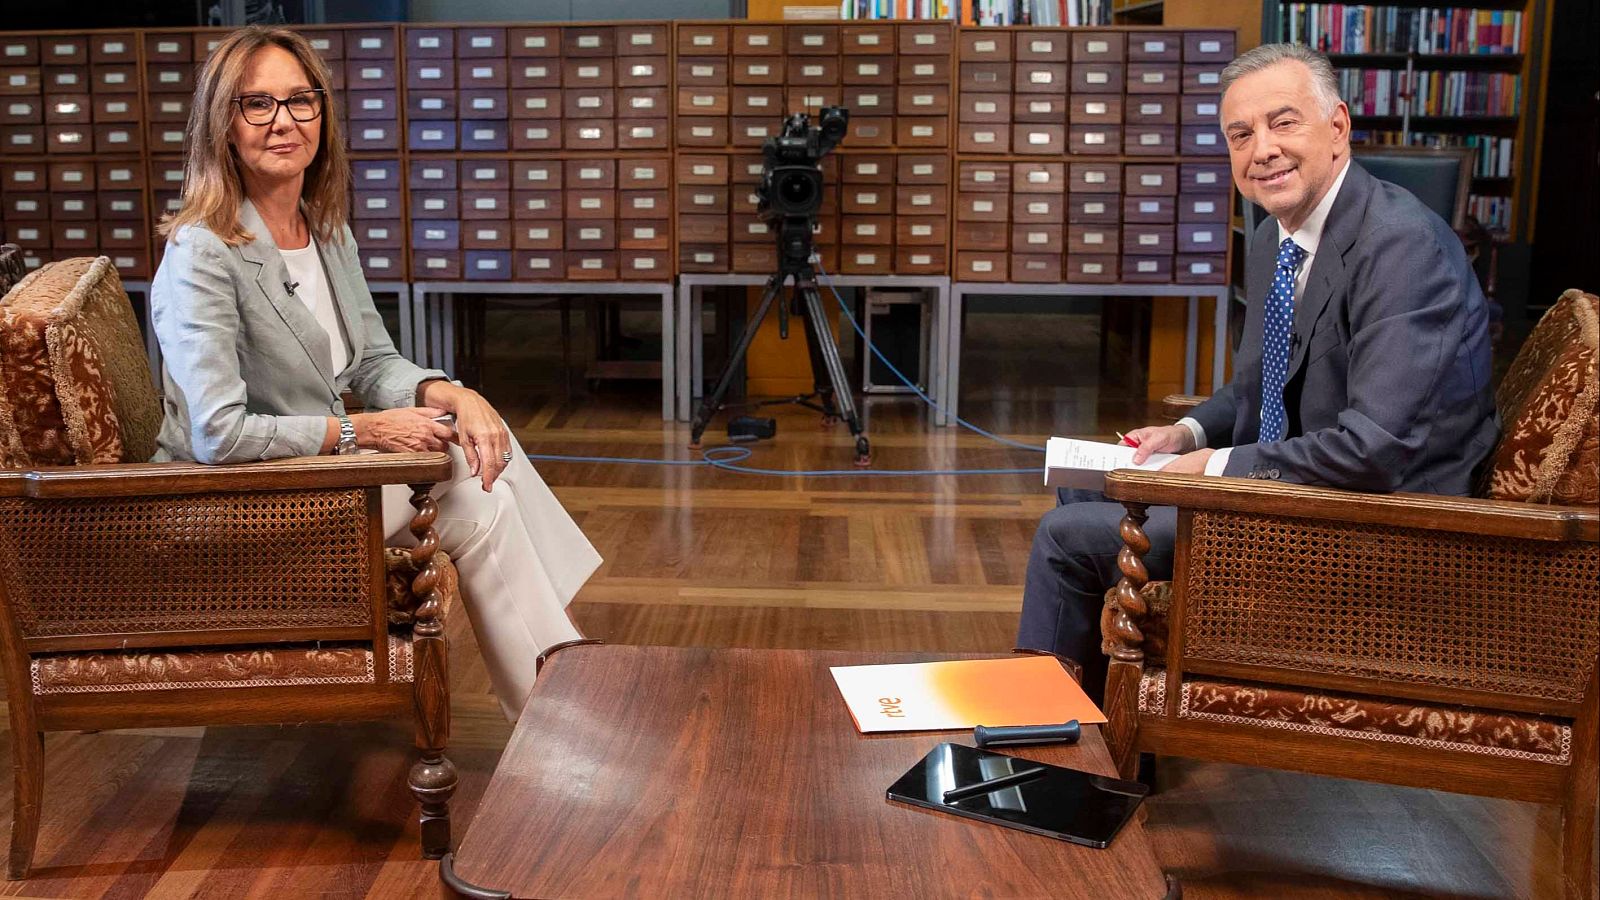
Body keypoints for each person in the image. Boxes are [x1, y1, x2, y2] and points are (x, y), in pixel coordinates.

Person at [1017, 43, 1498, 702]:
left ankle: (1043, 743)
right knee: (1085, 491)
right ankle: (1109, 731)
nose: (1262, 149)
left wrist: (1214, 469)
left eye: (1283, 122)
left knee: (1066, 539)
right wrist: (1186, 435)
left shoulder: (1401, 247)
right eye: (1241, 135)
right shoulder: (1278, 233)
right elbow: (1265, 383)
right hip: (1302, 485)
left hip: (1376, 525)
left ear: (1338, 127)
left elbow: (1377, 450)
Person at [149, 26, 601, 721]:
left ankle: (557, 708)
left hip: (319, 478)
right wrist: (363, 432)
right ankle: (564, 703)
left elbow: (373, 363)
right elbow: (218, 434)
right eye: (257, 105)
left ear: (322, 117)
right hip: (243, 500)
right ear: (223, 125)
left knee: (477, 453)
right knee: (471, 481)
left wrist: (454, 392)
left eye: (300, 101)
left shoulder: (324, 231)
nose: (283, 122)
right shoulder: (202, 252)